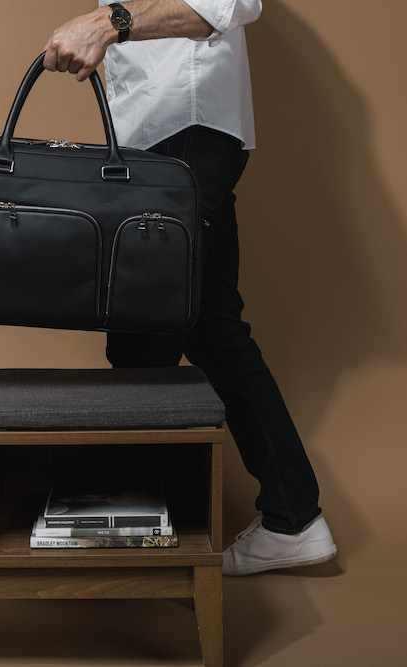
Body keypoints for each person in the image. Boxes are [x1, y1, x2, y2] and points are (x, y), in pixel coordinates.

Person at [43, 0, 337, 575]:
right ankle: (293, 516)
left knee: (142, 337)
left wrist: (105, 22)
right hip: (168, 137)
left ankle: (133, 542)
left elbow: (225, 4)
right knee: (212, 330)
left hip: (183, 131)